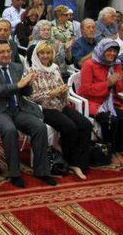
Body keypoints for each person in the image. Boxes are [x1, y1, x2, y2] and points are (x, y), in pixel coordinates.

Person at [0, 40, 55, 188]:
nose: (6, 55)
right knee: (10, 130)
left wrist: (29, 83)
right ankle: (14, 173)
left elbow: (25, 92)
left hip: (18, 108)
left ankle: (42, 170)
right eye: (2, 52)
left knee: (39, 127)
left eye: (8, 51)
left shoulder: (16, 67)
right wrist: (19, 85)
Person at [25, 41, 92, 179]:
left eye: (48, 53)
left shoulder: (55, 68)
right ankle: (71, 161)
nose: (45, 56)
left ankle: (81, 162)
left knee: (86, 124)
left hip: (61, 104)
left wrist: (62, 91)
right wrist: (51, 93)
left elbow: (61, 88)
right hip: (45, 108)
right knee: (70, 127)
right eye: (42, 53)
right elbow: (31, 97)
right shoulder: (31, 72)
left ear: (52, 54)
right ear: (36, 55)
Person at [78, 39, 123, 159]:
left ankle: (119, 148)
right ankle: (108, 150)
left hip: (111, 100)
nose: (112, 54)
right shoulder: (89, 64)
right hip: (92, 102)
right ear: (102, 50)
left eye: (114, 51)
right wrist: (107, 83)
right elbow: (86, 89)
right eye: (109, 50)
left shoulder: (116, 64)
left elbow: (119, 89)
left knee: (121, 116)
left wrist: (117, 81)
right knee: (111, 120)